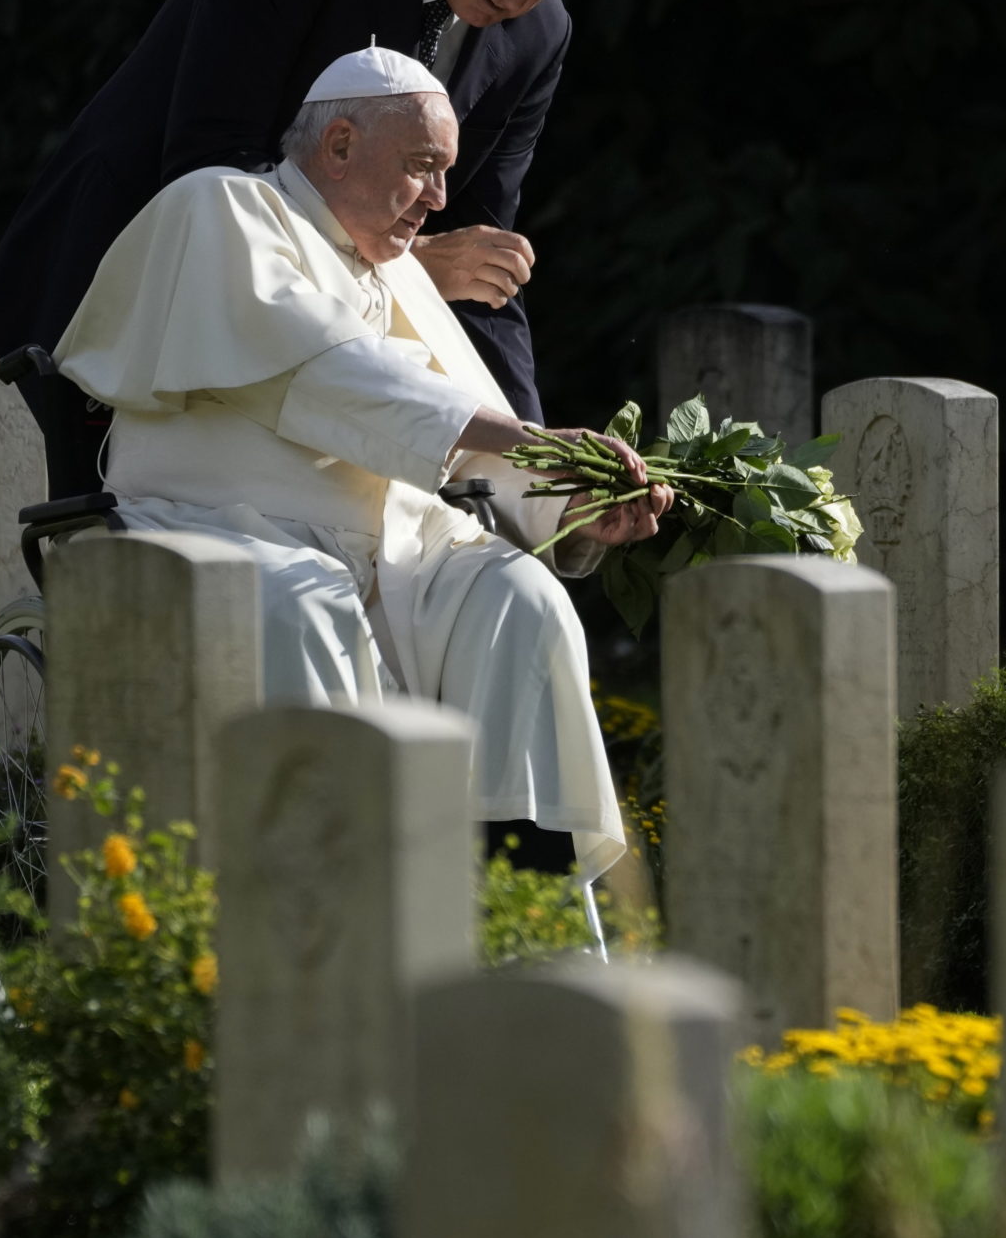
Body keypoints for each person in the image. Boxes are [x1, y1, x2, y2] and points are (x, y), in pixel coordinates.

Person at [49, 47, 671, 883]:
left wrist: (579, 505)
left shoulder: (399, 275)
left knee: (523, 600)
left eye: (445, 173)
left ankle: (522, 910)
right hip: (212, 530)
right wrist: (534, 438)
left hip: (395, 556)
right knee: (310, 606)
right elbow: (338, 375)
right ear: (338, 145)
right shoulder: (223, 205)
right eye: (422, 167)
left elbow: (461, 437)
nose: (441, 199)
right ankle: (339, 920)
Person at [0, 0, 634, 494]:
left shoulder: (537, 36)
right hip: (125, 285)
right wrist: (410, 269)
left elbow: (483, 268)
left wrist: (543, 468)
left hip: (305, 366)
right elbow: (211, 170)